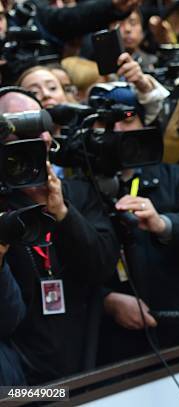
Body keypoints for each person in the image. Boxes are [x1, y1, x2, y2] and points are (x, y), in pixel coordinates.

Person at [88, 84, 179, 364]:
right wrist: (106, 300)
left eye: (127, 119)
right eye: (106, 123)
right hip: (114, 349)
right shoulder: (80, 189)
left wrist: (163, 224)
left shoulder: (175, 177)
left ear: (143, 123)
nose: (119, 131)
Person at [0, 89, 119, 384]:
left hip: (86, 363)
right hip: (18, 380)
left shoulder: (79, 192)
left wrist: (63, 213)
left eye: (41, 126)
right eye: (20, 129)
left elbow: (101, 267)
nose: (37, 138)